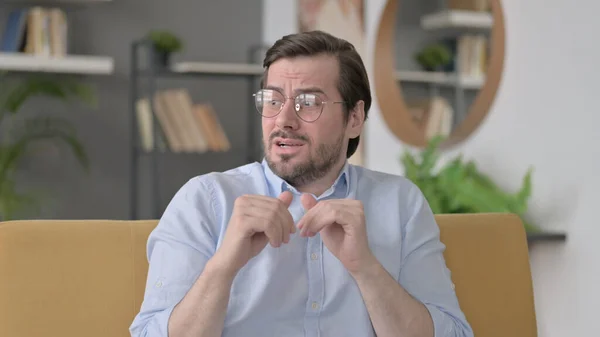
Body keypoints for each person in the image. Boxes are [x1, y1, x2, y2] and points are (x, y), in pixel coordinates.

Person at [129, 30, 473, 337]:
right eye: (273, 100)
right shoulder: (205, 200)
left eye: (309, 103)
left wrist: (365, 268)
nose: (284, 120)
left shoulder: (401, 203)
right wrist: (223, 267)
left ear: (354, 118)